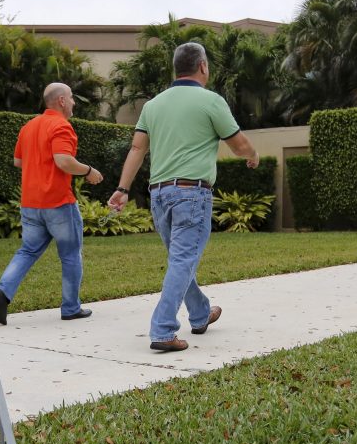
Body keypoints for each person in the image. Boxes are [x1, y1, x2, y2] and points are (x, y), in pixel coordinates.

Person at [108, 42, 259, 352]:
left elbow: (137, 149)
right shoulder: (210, 101)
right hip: (191, 194)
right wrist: (253, 155)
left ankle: (201, 313)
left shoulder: (153, 105)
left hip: (159, 195)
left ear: (176, 69)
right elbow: (238, 143)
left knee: (180, 260)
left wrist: (122, 189)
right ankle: (163, 329)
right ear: (202, 66)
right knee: (182, 260)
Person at [0, 83, 103, 325]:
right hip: (58, 203)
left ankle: (3, 291)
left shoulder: (29, 127)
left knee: (28, 250)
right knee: (71, 255)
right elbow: (63, 161)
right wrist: (89, 171)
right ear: (61, 101)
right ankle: (71, 307)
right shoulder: (61, 126)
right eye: (71, 98)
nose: (74, 103)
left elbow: (19, 161)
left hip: (30, 204)